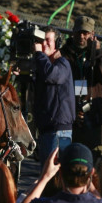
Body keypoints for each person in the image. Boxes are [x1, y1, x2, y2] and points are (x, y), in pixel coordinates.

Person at [61, 16, 102, 156]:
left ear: (92, 35)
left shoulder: (98, 55)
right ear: (72, 32)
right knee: (66, 156)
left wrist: (98, 53)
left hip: (92, 116)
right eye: (79, 32)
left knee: (91, 157)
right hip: (68, 115)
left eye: (85, 33)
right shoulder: (64, 53)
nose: (81, 36)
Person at [33, 26, 75, 164]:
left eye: (47, 40)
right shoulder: (43, 64)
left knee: (55, 174)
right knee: (46, 173)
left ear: (57, 43)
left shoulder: (62, 63)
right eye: (41, 40)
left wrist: (39, 54)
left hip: (59, 131)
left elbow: (51, 75)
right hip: (47, 129)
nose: (44, 44)